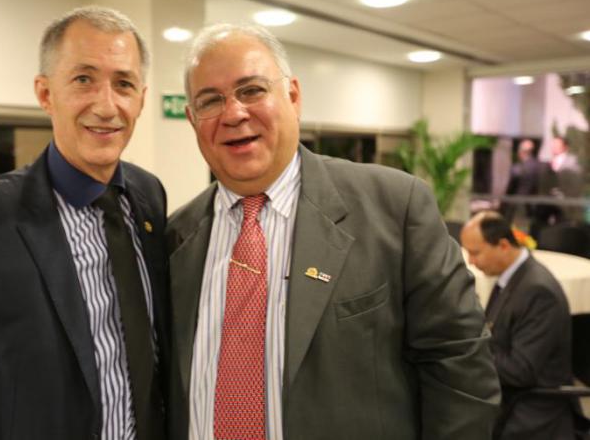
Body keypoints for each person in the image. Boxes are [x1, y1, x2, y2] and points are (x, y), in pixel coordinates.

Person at [166, 23, 500, 440]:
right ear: (192, 119)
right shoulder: (173, 238)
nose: (233, 114)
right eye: (210, 101)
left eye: (251, 90)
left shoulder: (395, 209)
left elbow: (461, 370)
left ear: (293, 96)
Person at [0, 6, 168, 440]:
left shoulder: (148, 197)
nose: (106, 105)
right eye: (83, 79)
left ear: (142, 99)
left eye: (124, 84)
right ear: (45, 93)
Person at [460, 211, 573, 440]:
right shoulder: (511, 278)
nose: (471, 262)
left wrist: (470, 353)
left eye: (475, 253)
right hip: (510, 396)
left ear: (503, 245)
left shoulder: (538, 291)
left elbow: (521, 371)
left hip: (532, 409)